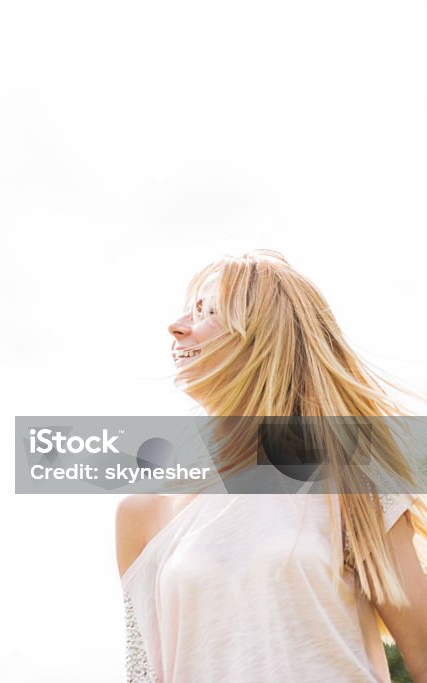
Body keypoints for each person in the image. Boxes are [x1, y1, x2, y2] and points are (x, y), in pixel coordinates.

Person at [116, 251, 427, 682]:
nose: (176, 326)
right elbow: (146, 674)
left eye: (207, 311)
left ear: (265, 339)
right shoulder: (142, 511)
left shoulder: (354, 474)